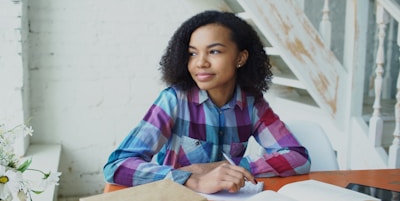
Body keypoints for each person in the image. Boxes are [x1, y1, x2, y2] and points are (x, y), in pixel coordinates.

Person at [103, 10, 311, 194]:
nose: (200, 63)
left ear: (241, 58)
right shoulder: (174, 100)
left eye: (214, 51)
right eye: (193, 53)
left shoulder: (252, 103)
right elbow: (117, 165)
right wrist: (192, 179)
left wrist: (228, 168)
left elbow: (298, 157)